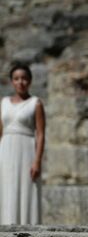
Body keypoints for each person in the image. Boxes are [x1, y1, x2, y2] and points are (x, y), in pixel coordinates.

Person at [0, 64, 45, 225]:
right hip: (5, 151)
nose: (21, 82)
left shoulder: (36, 103)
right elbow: (0, 131)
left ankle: (27, 229)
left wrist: (37, 161)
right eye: (16, 79)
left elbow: (40, 134)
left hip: (26, 150)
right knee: (6, 188)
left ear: (30, 81)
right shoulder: (3, 103)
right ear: (12, 82)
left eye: (24, 78)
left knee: (26, 189)